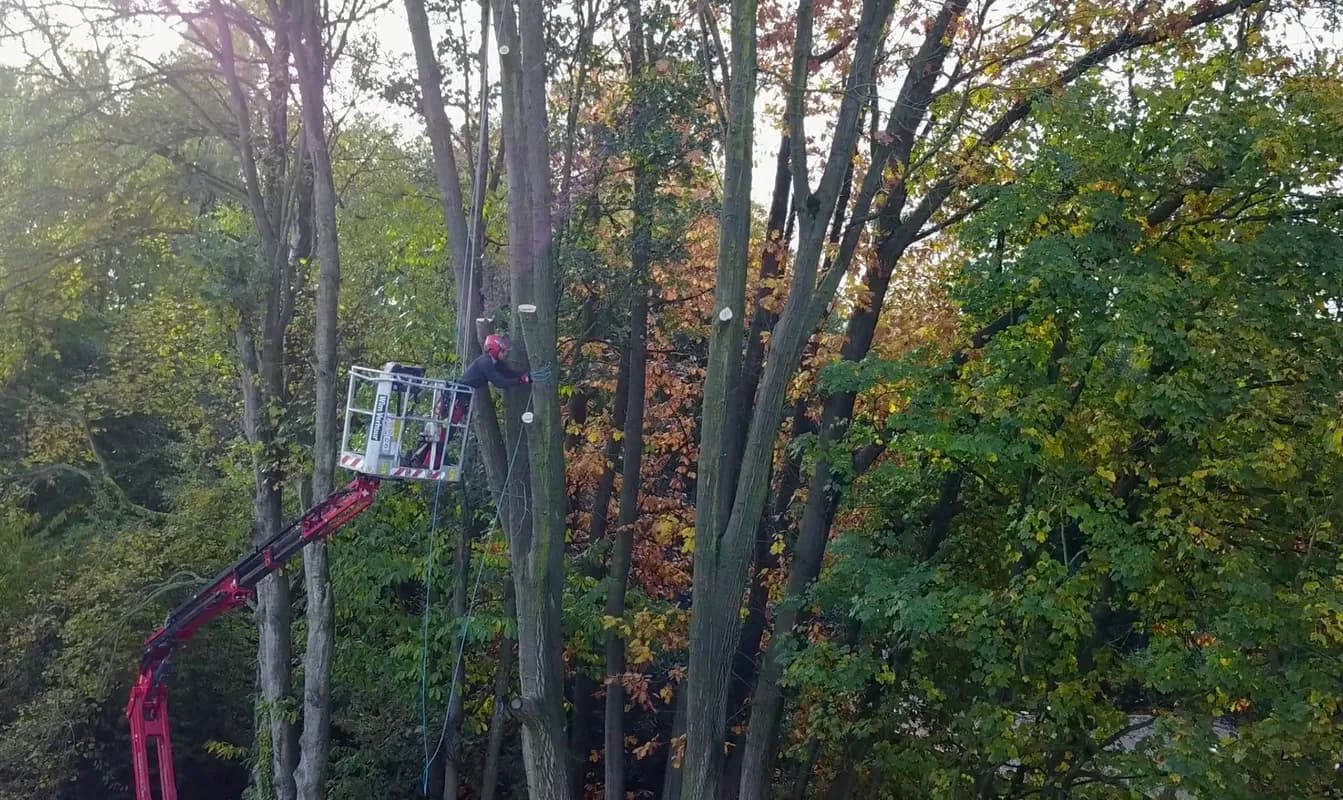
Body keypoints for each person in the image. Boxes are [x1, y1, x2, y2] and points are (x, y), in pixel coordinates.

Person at [407, 334, 529, 469]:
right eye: (503, 351)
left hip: (460, 399)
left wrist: (524, 376)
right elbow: (499, 382)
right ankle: (427, 462)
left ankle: (431, 460)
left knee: (448, 433)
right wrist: (520, 380)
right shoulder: (485, 362)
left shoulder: (494, 362)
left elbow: (507, 373)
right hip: (455, 399)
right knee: (443, 433)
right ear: (494, 350)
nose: (506, 354)